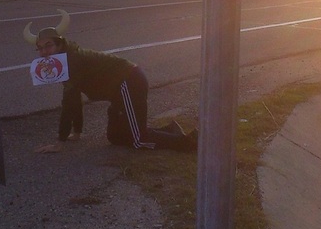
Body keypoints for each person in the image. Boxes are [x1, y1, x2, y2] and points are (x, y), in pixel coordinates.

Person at [24, 11, 198, 154]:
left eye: (48, 46)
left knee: (139, 140)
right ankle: (171, 129)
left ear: (59, 44)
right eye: (40, 48)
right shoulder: (61, 63)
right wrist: (76, 132)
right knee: (115, 137)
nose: (44, 52)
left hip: (129, 81)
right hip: (117, 91)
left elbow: (69, 102)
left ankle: (190, 142)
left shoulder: (71, 61)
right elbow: (74, 98)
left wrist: (59, 142)